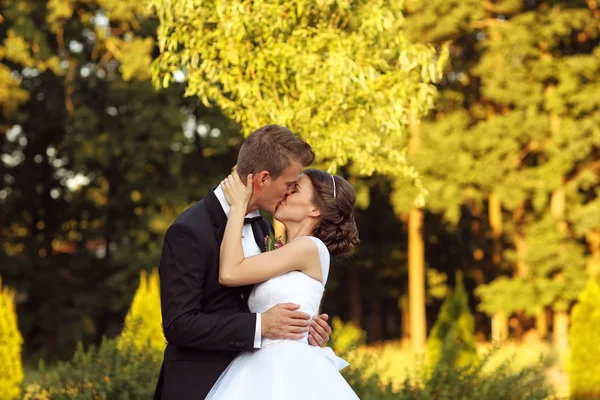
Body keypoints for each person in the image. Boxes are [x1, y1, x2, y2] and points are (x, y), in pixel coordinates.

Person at [154, 125, 333, 399]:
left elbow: (266, 300)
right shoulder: (189, 230)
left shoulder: (263, 229)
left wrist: (305, 327)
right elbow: (179, 324)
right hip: (199, 386)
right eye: (288, 185)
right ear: (263, 179)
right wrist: (261, 326)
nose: (288, 193)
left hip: (261, 384)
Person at [205, 168, 360, 399]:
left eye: (294, 190)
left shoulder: (310, 247)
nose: (285, 193)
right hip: (257, 360)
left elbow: (230, 272)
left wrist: (238, 207)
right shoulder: (284, 250)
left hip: (287, 365)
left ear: (314, 209)